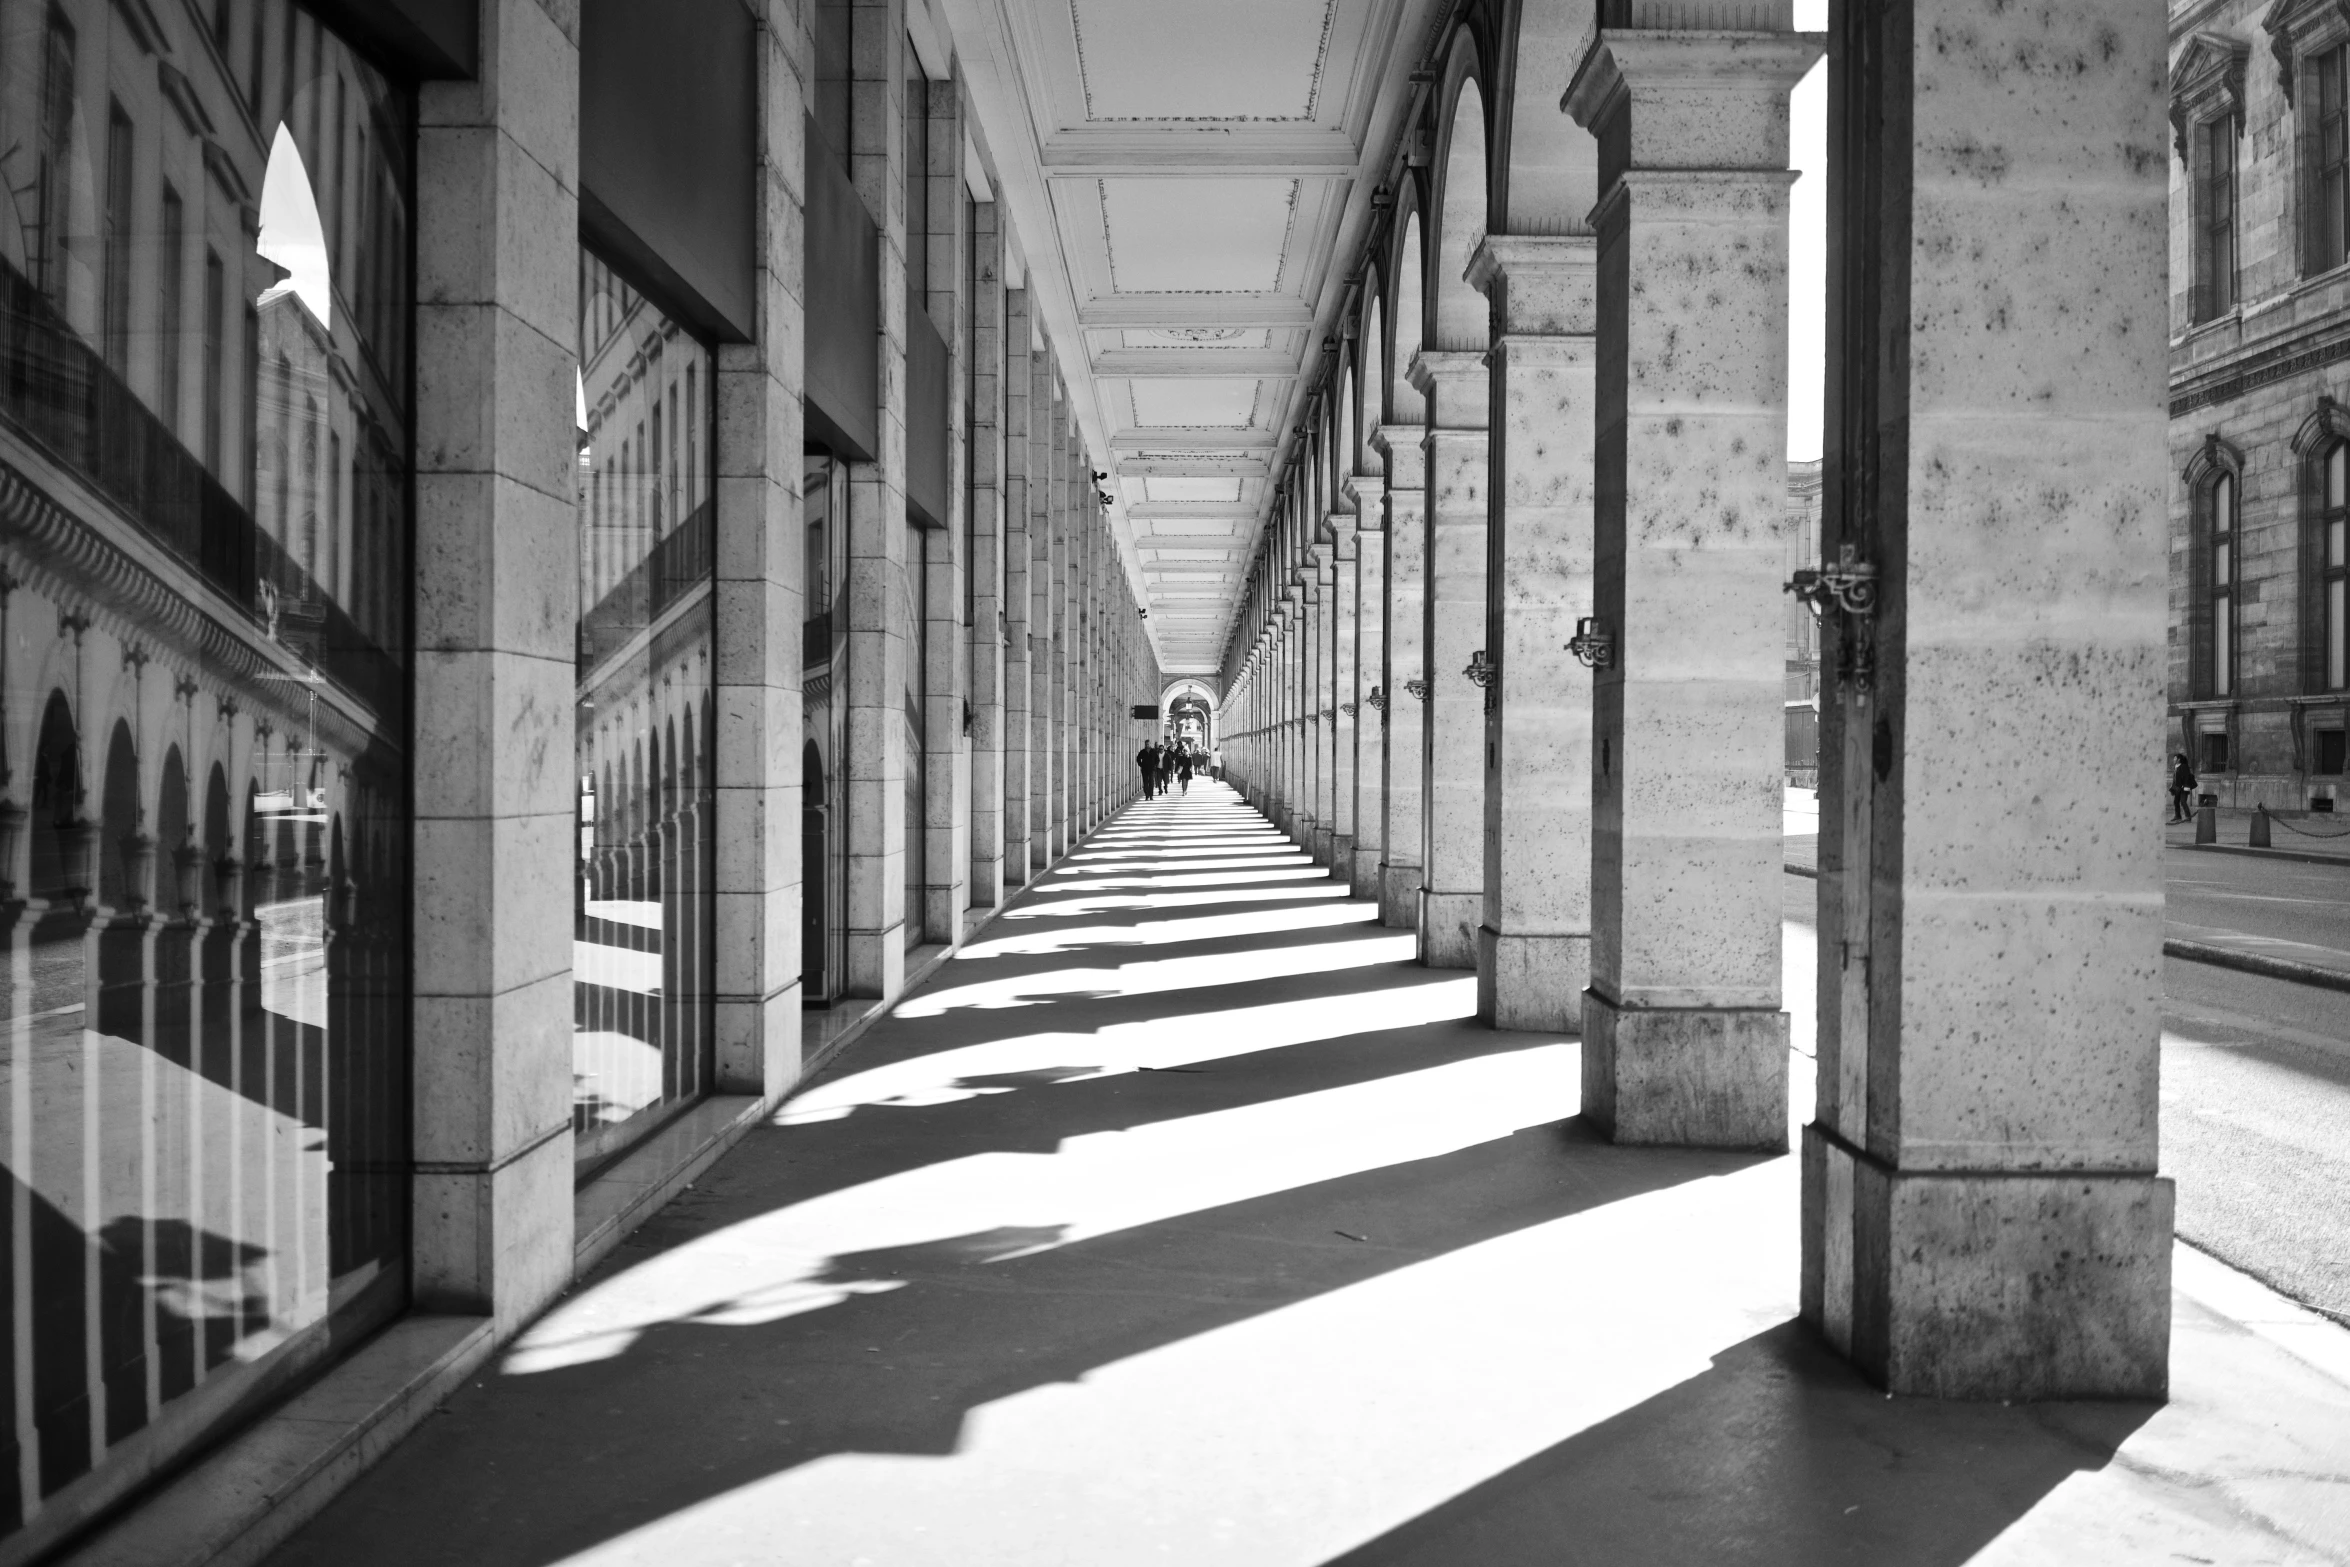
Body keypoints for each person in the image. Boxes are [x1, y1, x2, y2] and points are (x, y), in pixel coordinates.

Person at [2169, 753, 2197, 824]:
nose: (2174, 759)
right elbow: (2175, 779)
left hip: (2184, 788)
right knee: (2176, 802)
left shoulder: (2184, 766)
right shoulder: (2176, 766)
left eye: (2175, 758)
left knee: (2183, 802)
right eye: (2174, 758)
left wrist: (2184, 786)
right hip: (2177, 788)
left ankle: (2188, 817)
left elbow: (2186, 777)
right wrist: (2172, 787)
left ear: (2179, 759)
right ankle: (2178, 816)